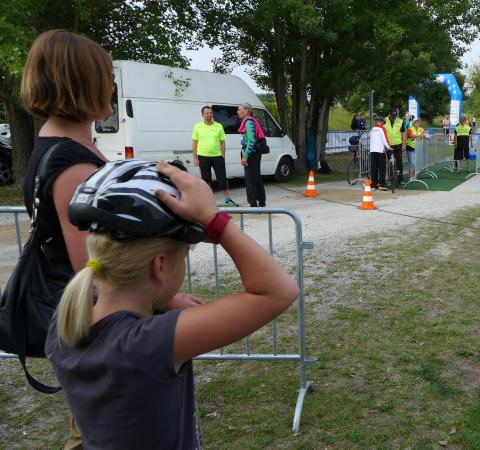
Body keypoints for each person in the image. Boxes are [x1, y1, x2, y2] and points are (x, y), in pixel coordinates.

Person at [20, 31, 205, 449]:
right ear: (82, 81)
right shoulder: (70, 161)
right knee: (96, 432)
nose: (112, 87)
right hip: (103, 328)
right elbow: (93, 263)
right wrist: (168, 299)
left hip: (95, 324)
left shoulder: (58, 146)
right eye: (106, 77)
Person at [46, 159, 299, 450]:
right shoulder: (146, 344)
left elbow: (119, 290)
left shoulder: (65, 322)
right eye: (184, 255)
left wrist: (162, 300)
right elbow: (278, 291)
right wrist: (212, 218)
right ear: (160, 266)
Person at [192, 106, 238, 207]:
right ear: (202, 115)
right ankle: (209, 202)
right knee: (206, 180)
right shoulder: (197, 126)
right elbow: (195, 143)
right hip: (203, 156)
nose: (209, 115)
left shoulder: (219, 126)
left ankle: (228, 200)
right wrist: (195, 158)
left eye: (210, 113)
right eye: (207, 113)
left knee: (222, 179)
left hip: (217, 156)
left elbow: (222, 142)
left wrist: (222, 156)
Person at [237, 103, 266, 207]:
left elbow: (251, 140)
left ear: (246, 111)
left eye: (239, 109)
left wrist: (245, 156)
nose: (237, 111)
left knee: (250, 180)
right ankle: (261, 202)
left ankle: (253, 204)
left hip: (251, 154)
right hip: (253, 154)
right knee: (256, 178)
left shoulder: (248, 122)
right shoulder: (250, 121)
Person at [369, 115, 391, 190]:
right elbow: (385, 140)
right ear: (382, 122)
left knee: (374, 168)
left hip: (372, 151)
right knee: (382, 168)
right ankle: (381, 184)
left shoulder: (372, 129)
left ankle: (373, 184)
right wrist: (388, 147)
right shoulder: (382, 129)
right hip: (380, 151)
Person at [384, 107, 407, 183]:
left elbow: (403, 133)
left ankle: (401, 179)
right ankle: (391, 178)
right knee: (390, 162)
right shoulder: (384, 120)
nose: (394, 117)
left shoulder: (400, 121)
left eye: (395, 115)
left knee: (399, 162)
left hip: (398, 144)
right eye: (392, 115)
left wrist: (404, 144)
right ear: (389, 114)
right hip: (388, 145)